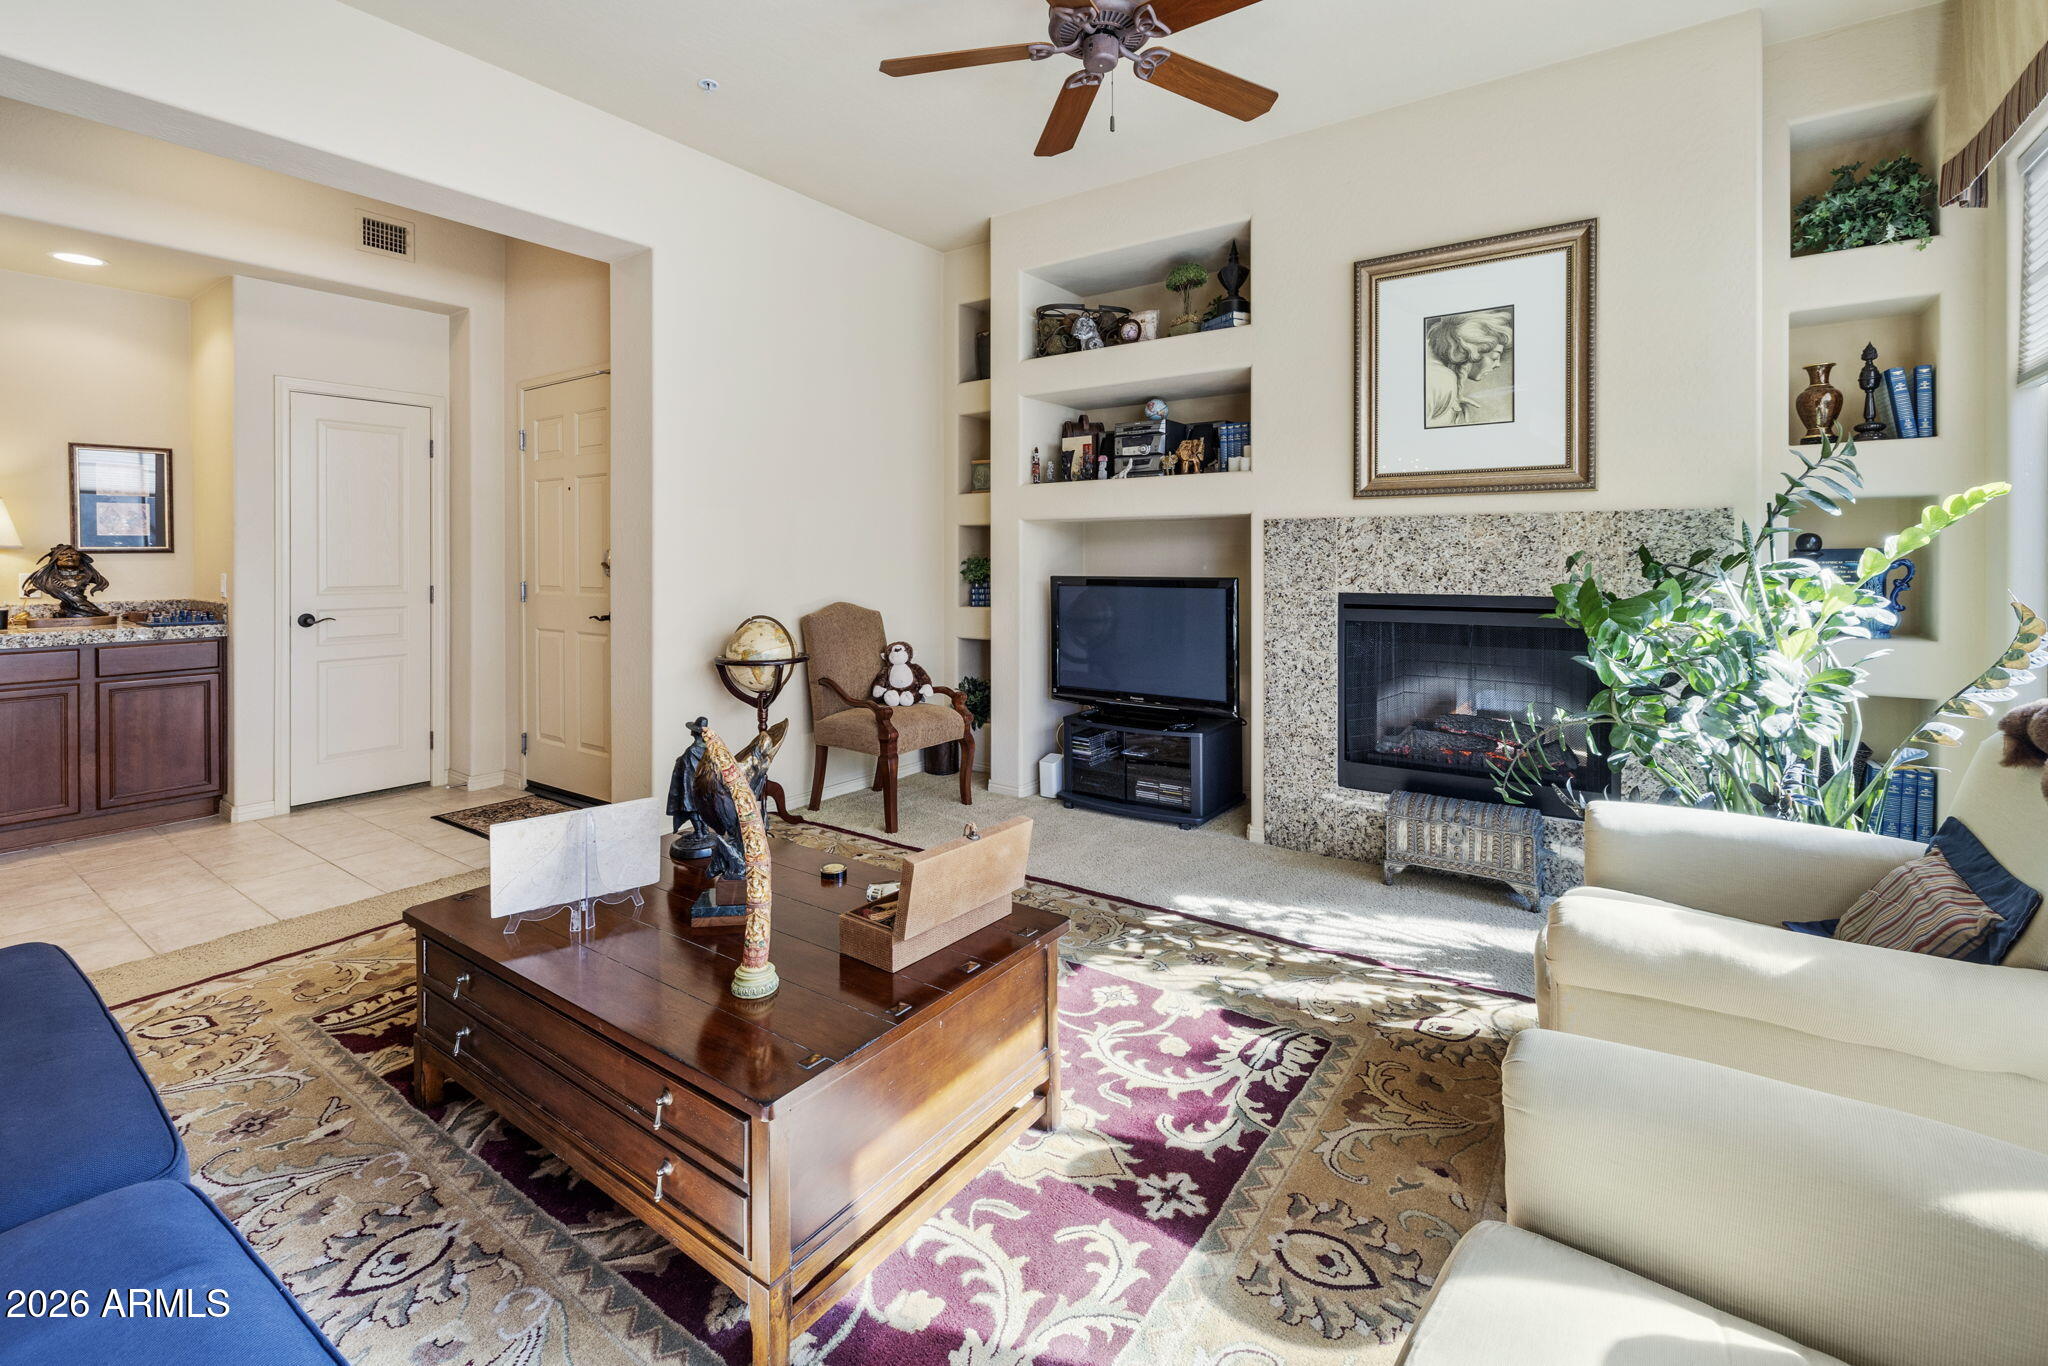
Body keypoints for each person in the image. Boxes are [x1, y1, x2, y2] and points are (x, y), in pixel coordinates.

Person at [1424, 308, 1514, 427]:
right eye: (1494, 357)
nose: (1498, 364)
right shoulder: (1442, 380)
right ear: (1472, 350)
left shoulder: (1439, 374)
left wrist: (1451, 402)